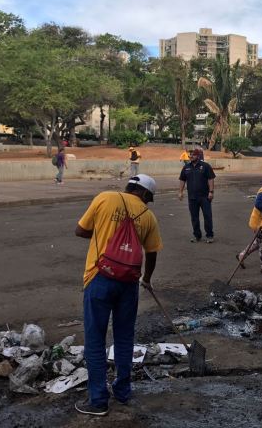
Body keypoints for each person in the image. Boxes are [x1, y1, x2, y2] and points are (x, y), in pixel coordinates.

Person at [74, 174, 163, 416]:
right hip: (128, 283)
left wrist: (105, 232)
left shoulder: (105, 198)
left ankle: (98, 402)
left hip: (99, 277)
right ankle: (122, 392)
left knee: (95, 340)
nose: (148, 203)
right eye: (149, 199)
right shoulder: (147, 216)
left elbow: (80, 230)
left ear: (130, 187)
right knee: (124, 338)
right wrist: (147, 278)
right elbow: (152, 252)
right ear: (144, 194)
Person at [179, 148, 216, 243]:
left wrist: (211, 192)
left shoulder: (205, 166)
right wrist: (180, 192)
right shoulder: (186, 167)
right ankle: (197, 235)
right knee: (194, 217)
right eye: (190, 155)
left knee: (207, 216)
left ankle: (209, 235)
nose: (191, 156)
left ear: (198, 156)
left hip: (205, 197)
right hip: (192, 197)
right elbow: (182, 179)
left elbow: (210, 179)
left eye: (193, 155)